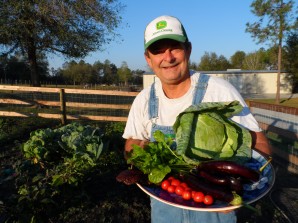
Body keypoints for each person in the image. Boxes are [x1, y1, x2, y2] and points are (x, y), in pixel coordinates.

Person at [122, 15, 272, 223]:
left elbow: (260, 144)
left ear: (188, 49)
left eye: (174, 47)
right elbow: (131, 145)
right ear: (148, 58)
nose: (168, 57)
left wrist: (238, 192)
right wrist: (142, 159)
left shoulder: (219, 91)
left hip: (215, 211)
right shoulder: (144, 100)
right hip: (165, 209)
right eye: (158, 51)